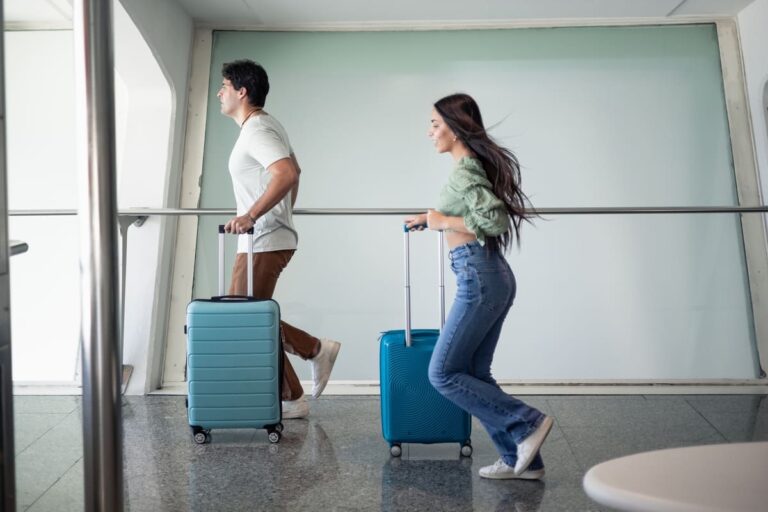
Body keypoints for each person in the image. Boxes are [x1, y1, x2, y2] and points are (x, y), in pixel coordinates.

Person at [405, 93, 553, 480]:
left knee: (442, 374)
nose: (430, 132)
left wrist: (441, 222)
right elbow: (471, 213)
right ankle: (520, 460)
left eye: (435, 124)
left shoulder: (465, 170)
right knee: (474, 372)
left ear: (455, 129)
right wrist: (431, 217)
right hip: (489, 276)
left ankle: (526, 424)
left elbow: (494, 222)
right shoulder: (468, 169)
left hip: (479, 277)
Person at [218, 59, 341, 419]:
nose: (219, 93)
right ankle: (296, 391)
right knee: (250, 318)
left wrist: (254, 215)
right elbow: (295, 171)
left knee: (243, 319)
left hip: (263, 239)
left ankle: (314, 353)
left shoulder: (257, 129)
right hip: (267, 236)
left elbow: (285, 173)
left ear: (242, 91)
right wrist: (280, 213)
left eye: (224, 86)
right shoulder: (264, 126)